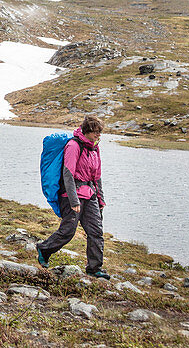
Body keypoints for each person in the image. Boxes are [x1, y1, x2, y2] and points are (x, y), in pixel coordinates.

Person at [36, 115, 109, 279]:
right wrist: (73, 201)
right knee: (68, 231)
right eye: (96, 132)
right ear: (87, 130)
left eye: (100, 132)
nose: (99, 135)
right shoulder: (73, 146)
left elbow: (97, 177)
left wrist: (100, 199)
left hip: (90, 195)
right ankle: (44, 249)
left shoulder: (94, 149)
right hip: (71, 195)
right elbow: (67, 174)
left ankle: (94, 268)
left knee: (96, 231)